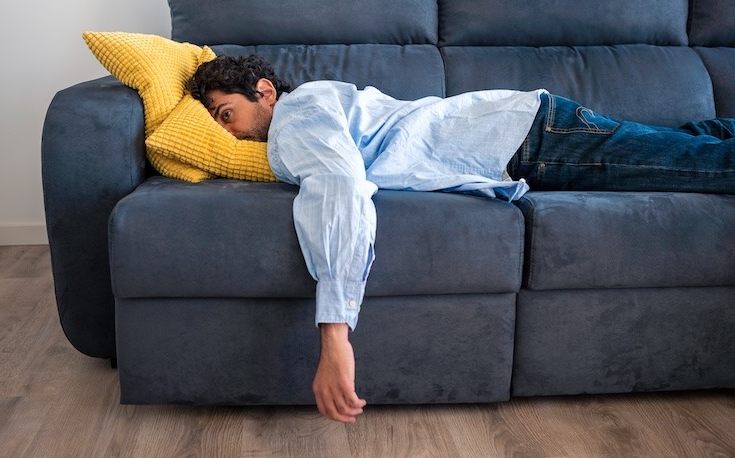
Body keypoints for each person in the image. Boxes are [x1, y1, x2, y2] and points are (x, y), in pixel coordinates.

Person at [188, 54, 734, 423]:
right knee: (684, 149)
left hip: (526, 139)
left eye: (226, 114)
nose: (225, 131)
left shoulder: (295, 117)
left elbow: (337, 185)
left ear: (264, 91)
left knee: (702, 167)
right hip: (524, 127)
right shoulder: (317, 103)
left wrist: (335, 336)